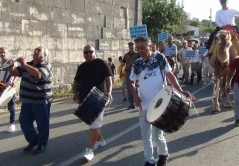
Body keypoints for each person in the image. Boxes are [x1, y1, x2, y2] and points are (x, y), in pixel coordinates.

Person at [129, 36, 196, 166]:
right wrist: (134, 95)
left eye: (142, 47)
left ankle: (163, 154)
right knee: (145, 136)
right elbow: (131, 82)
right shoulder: (137, 64)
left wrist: (181, 91)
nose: (140, 50)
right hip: (144, 104)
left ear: (150, 46)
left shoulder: (159, 58)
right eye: (138, 48)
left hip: (160, 103)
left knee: (157, 134)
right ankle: (149, 160)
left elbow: (170, 76)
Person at [72, 45, 113, 162]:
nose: (89, 54)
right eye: (86, 52)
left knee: (94, 124)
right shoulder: (82, 67)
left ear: (95, 52)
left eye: (91, 52)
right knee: (93, 122)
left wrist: (109, 92)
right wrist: (75, 93)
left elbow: (108, 79)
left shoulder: (101, 63)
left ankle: (89, 151)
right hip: (85, 99)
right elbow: (76, 81)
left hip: (99, 98)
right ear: (83, 54)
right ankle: (100, 141)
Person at [8, 46, 52, 154]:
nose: (35, 51)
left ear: (44, 55)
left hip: (42, 100)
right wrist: (10, 67)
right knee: (24, 121)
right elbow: (14, 73)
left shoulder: (46, 65)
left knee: (42, 124)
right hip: (27, 100)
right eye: (35, 49)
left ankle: (42, 144)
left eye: (39, 50)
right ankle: (33, 140)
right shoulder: (28, 64)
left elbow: (38, 74)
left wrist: (24, 64)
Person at [122, 42, 140, 110]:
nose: (131, 48)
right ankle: (131, 104)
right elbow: (123, 62)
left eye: (132, 47)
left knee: (136, 88)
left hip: (136, 72)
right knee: (129, 88)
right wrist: (123, 67)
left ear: (134, 47)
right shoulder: (126, 55)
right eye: (130, 47)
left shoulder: (137, 54)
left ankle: (138, 102)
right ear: (128, 47)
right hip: (128, 73)